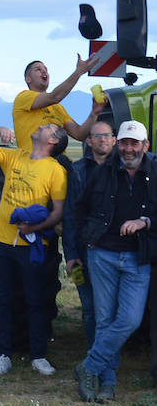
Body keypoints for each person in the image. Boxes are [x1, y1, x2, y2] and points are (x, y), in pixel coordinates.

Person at [0, 123, 69, 376]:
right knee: (0, 299)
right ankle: (3, 354)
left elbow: (58, 212)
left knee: (35, 300)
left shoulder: (55, 171)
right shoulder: (16, 156)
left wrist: (35, 226)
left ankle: (38, 355)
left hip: (31, 245)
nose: (39, 126)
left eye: (47, 127)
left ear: (53, 141)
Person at [73, 120, 156, 402]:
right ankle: (107, 383)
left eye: (135, 143)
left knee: (130, 320)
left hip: (138, 256)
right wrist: (88, 239)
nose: (129, 149)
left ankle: (88, 367)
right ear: (118, 144)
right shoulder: (101, 172)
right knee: (104, 320)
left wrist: (144, 221)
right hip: (103, 254)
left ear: (146, 146)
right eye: (124, 143)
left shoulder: (155, 172)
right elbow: (79, 208)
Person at [63, 120, 115, 346]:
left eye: (107, 135)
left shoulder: (124, 169)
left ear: (114, 140)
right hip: (81, 253)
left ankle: (109, 353)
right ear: (89, 141)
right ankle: (95, 352)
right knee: (88, 304)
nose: (102, 139)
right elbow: (69, 216)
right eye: (97, 136)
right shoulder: (77, 171)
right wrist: (71, 254)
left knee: (112, 307)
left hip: (113, 252)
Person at [13, 56, 103, 144]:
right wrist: (78, 72)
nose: (44, 71)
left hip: (59, 159)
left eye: (46, 69)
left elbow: (79, 134)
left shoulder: (58, 107)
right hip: (34, 158)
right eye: (38, 69)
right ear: (28, 79)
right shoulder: (23, 97)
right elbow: (55, 97)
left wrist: (94, 113)